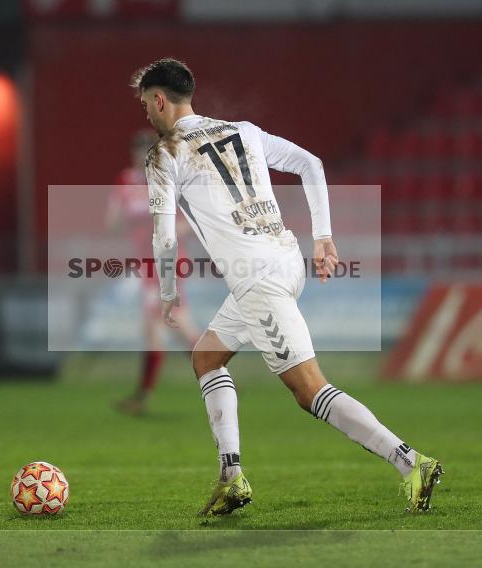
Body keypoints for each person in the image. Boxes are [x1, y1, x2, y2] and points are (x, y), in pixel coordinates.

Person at [131, 57, 443, 516]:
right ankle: (231, 475)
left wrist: (168, 293)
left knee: (310, 390)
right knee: (206, 356)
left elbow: (162, 233)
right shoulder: (244, 130)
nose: (146, 115)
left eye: (145, 105)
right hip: (284, 260)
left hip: (258, 282)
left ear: (160, 99)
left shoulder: (164, 154)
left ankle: (412, 462)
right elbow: (311, 164)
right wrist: (323, 237)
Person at [107, 130, 200, 415]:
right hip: (146, 264)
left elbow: (190, 223)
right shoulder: (125, 182)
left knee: (159, 327)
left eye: (148, 150)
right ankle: (218, 377)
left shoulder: (167, 180)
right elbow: (112, 223)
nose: (142, 155)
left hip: (167, 262)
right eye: (139, 150)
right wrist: (133, 217)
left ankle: (143, 396)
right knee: (178, 327)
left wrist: (164, 228)